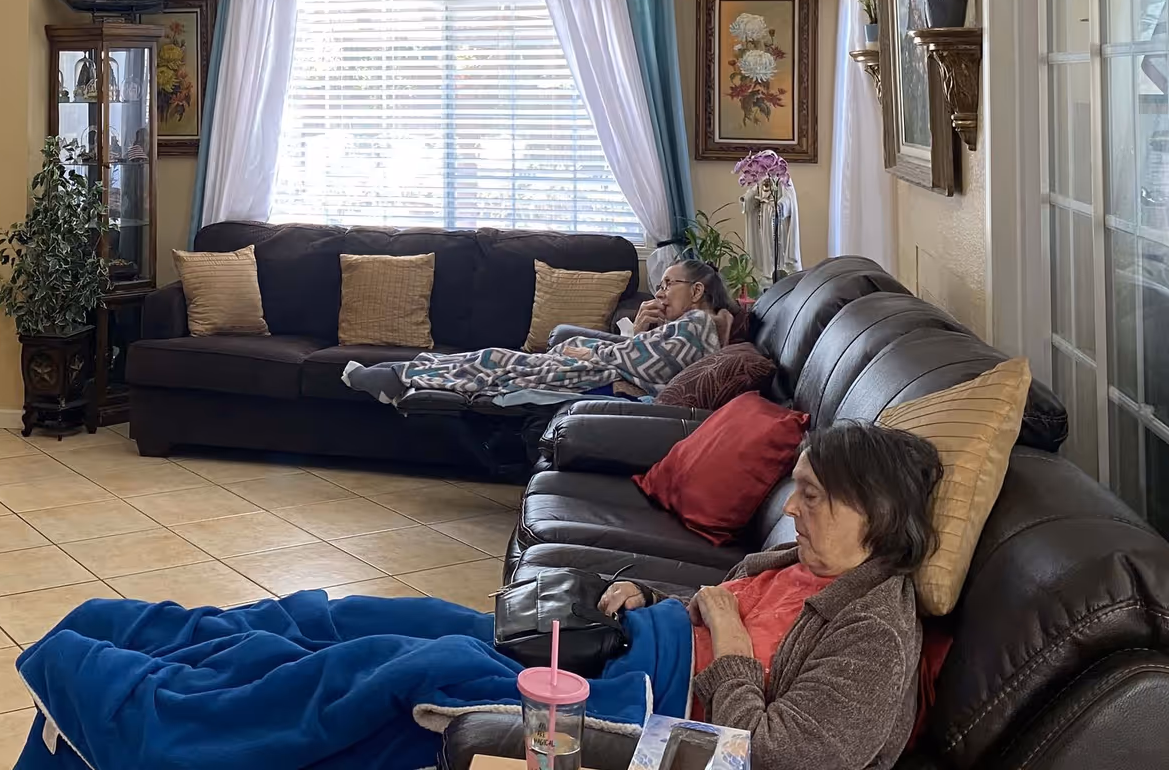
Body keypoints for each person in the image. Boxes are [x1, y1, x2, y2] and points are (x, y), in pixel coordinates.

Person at [595, 420, 944, 770]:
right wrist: (652, 598)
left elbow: (768, 756)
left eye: (810, 495)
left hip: (658, 734)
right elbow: (725, 609)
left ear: (877, 513)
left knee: (548, 722)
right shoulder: (795, 560)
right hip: (633, 662)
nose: (788, 506)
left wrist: (729, 637)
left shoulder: (874, 638)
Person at [341, 260, 738, 403]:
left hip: (602, 380)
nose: (661, 292)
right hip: (601, 370)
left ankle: (398, 375)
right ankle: (401, 373)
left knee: (495, 361)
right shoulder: (684, 325)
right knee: (495, 359)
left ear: (697, 290)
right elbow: (644, 356)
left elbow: (651, 367)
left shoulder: (697, 324)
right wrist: (636, 330)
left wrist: (595, 353)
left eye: (669, 284)